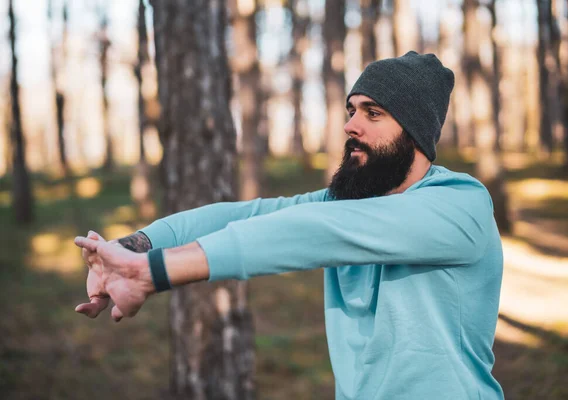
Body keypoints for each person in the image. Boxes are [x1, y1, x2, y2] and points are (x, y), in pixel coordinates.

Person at [74, 51, 504, 400]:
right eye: (352, 110)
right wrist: (136, 246)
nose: (350, 126)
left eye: (373, 114)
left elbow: (315, 231)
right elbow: (243, 215)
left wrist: (156, 272)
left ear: (414, 134)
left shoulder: (458, 207)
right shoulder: (348, 201)